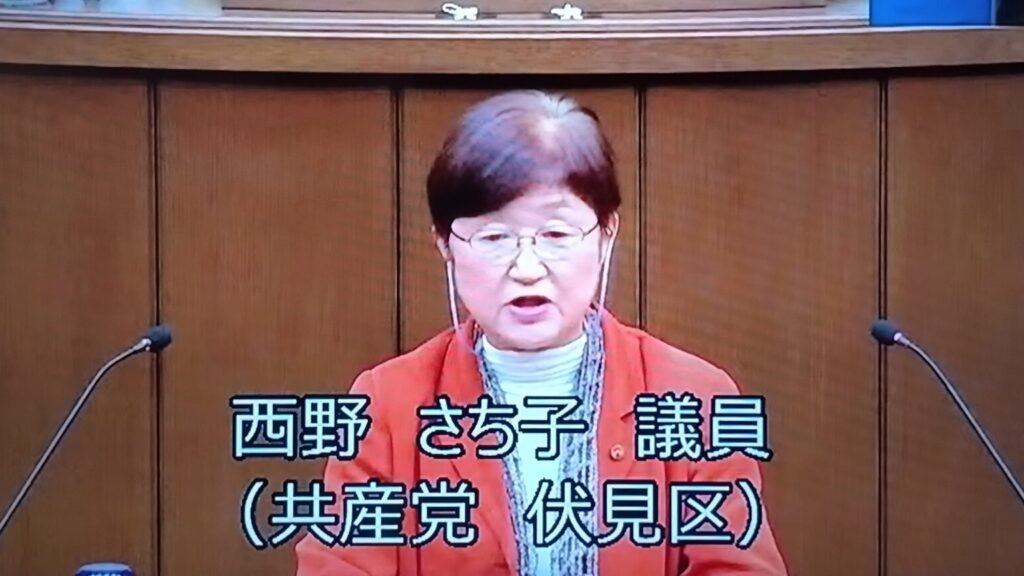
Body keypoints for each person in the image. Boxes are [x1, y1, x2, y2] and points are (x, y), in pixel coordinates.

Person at [295, 90, 788, 576]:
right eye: (494, 237)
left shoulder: (695, 399)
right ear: (445, 244)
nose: (527, 268)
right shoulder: (386, 404)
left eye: (555, 234)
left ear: (606, 235)